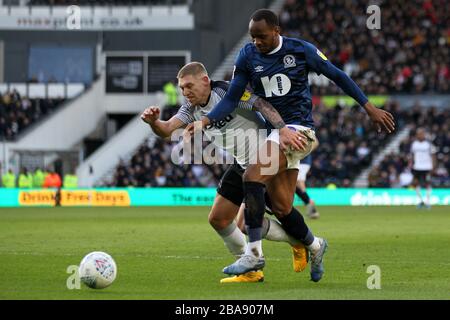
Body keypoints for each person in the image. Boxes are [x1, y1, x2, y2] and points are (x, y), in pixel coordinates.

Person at [198, 9, 395, 282]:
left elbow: (337, 75)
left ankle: (254, 255)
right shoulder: (246, 55)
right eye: (253, 37)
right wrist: (206, 119)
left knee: (252, 176)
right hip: (272, 136)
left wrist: (369, 108)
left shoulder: (301, 50)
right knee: (281, 208)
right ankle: (315, 245)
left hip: (299, 130)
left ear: (277, 31)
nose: (257, 42)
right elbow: (232, 98)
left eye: (262, 36)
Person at [141, 62, 310, 283]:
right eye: (181, 88)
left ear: (205, 80)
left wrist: (282, 131)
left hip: (264, 159)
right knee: (219, 219)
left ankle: (302, 242)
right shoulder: (190, 108)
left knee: (280, 211)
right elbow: (166, 130)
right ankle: (252, 270)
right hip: (241, 164)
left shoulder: (229, 92)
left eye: (189, 86)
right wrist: (154, 122)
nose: (185, 92)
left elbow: (261, 105)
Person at [410, 128, 436, 209]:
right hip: (417, 167)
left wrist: (433, 166)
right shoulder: (414, 144)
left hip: (427, 167)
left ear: (424, 134)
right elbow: (412, 155)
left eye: (422, 133)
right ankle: (420, 201)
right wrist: (412, 164)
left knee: (427, 184)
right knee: (415, 183)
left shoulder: (428, 144)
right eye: (419, 134)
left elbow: (433, 155)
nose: (420, 135)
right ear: (417, 135)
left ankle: (428, 202)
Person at [295, 154, 319, 219]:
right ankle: (310, 205)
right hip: (295, 161)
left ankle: (310, 205)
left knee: (298, 182)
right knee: (294, 183)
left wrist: (305, 152)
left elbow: (316, 143)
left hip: (302, 162)